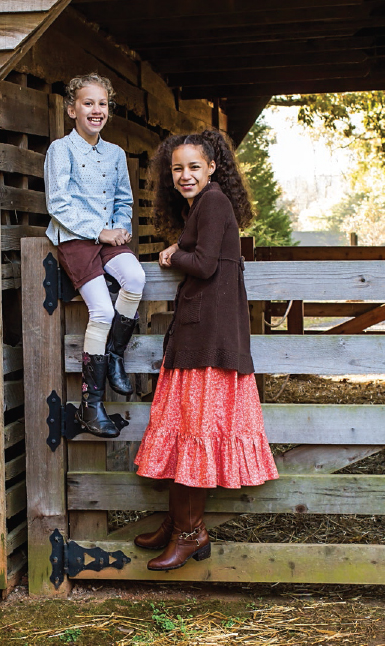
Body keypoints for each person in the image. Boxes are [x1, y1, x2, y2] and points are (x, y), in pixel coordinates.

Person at [133, 130, 278, 570]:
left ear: (213, 167)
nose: (184, 175)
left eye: (194, 166)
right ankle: (178, 521)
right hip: (200, 332)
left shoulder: (213, 203)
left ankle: (191, 532)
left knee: (194, 430)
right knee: (184, 428)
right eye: (177, 168)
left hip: (210, 338)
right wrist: (182, 247)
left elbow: (206, 265)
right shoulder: (202, 205)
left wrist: (173, 254)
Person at [44, 73, 146, 438]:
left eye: (102, 104)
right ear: (72, 109)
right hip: (76, 238)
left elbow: (123, 199)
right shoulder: (61, 149)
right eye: (88, 103)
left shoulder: (115, 154)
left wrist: (119, 227)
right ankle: (92, 403)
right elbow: (58, 203)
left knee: (135, 278)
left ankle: (116, 355)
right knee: (102, 309)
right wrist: (99, 231)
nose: (96, 110)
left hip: (108, 237)